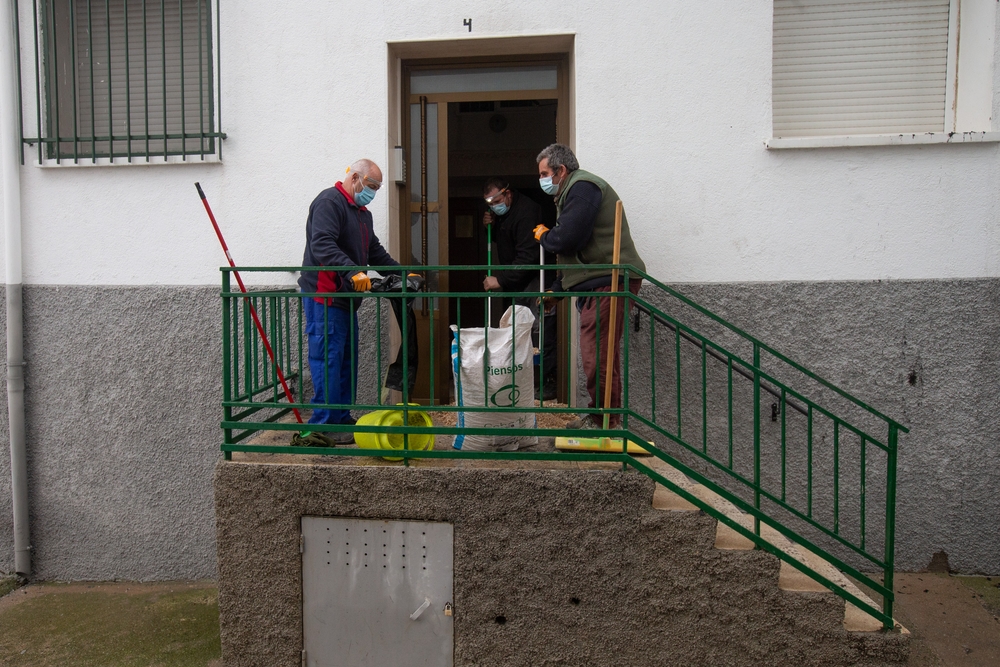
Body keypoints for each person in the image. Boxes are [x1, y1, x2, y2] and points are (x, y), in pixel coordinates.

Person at [532, 144, 646, 429]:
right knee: (597, 352)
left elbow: (568, 240)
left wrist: (546, 236)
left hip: (610, 282)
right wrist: (558, 289)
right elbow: (576, 255)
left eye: (545, 173)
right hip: (599, 283)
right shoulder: (572, 191)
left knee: (599, 354)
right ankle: (602, 418)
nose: (542, 180)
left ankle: (604, 421)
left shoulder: (583, 187)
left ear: (561, 170)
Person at [298, 159, 400, 443]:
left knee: (346, 361)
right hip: (325, 296)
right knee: (327, 360)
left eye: (378, 188)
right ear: (355, 177)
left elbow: (374, 251)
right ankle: (323, 424)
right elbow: (322, 244)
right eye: (371, 186)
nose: (374, 193)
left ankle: (341, 417)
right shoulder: (329, 203)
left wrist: (403, 272)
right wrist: (352, 270)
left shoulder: (361, 213)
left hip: (345, 298)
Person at [481, 177, 558, 400]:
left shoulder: (526, 212)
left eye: (496, 201)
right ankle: (517, 383)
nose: (494, 206)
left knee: (537, 331)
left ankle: (544, 385)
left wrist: (501, 280)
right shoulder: (503, 214)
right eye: (489, 204)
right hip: (516, 281)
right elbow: (505, 240)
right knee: (513, 330)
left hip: (535, 279)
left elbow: (528, 256)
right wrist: (492, 226)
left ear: (508, 194)